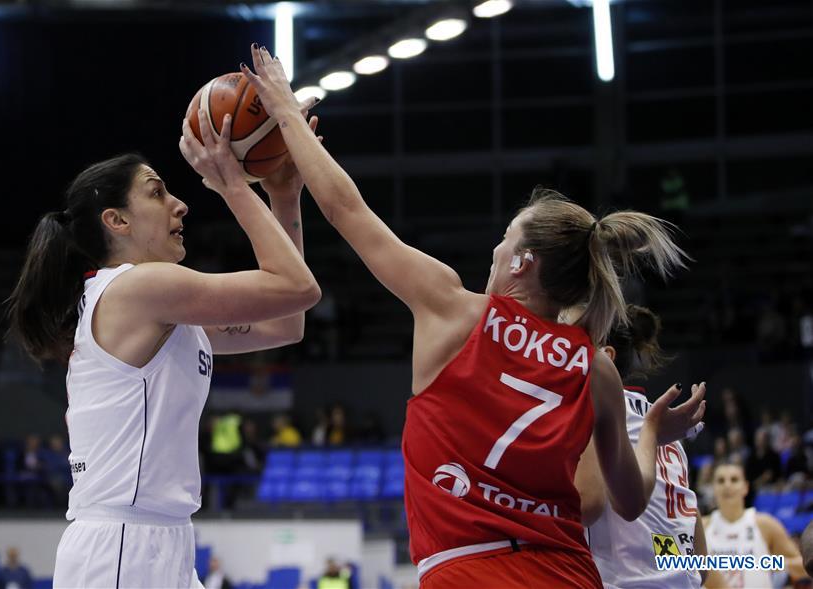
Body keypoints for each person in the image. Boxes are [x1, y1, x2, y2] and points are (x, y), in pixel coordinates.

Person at [239, 45, 705, 588]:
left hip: (469, 569)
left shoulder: (453, 308)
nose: (495, 249)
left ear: (522, 262)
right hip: (568, 573)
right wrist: (651, 432)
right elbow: (629, 501)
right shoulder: (595, 367)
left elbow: (347, 210)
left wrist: (286, 112)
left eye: (505, 239)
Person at [6, 99, 320, 587]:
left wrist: (284, 195)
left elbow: (287, 323)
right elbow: (297, 288)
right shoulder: (138, 287)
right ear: (117, 221)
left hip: (162, 539)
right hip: (122, 545)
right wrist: (233, 184)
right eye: (157, 193)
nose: (180, 204)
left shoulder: (156, 305)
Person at [577, 305, 714, 588]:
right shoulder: (670, 431)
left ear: (605, 356)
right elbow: (702, 566)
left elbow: (586, 505)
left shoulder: (594, 413)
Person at [704, 462, 806, 588]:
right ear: (713, 488)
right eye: (721, 481)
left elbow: (803, 566)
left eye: (734, 480)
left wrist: (774, 563)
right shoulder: (702, 527)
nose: (727, 485)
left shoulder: (765, 524)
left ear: (745, 487)